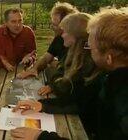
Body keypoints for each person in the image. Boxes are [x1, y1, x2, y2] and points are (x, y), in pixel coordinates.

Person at [11, 12, 101, 140]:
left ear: (76, 35)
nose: (61, 34)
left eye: (64, 31)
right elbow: (77, 100)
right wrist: (42, 105)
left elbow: (72, 96)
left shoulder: (90, 64)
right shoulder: (76, 55)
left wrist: (40, 136)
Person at [87, 8, 128, 139]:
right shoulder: (112, 80)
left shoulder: (121, 96)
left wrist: (43, 137)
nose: (89, 52)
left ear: (109, 58)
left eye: (91, 48)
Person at [17, 2, 78, 78]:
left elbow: (73, 70)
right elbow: (46, 58)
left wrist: (57, 64)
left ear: (67, 24)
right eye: (51, 23)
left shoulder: (79, 42)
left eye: (55, 25)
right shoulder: (59, 38)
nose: (51, 27)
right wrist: (35, 69)